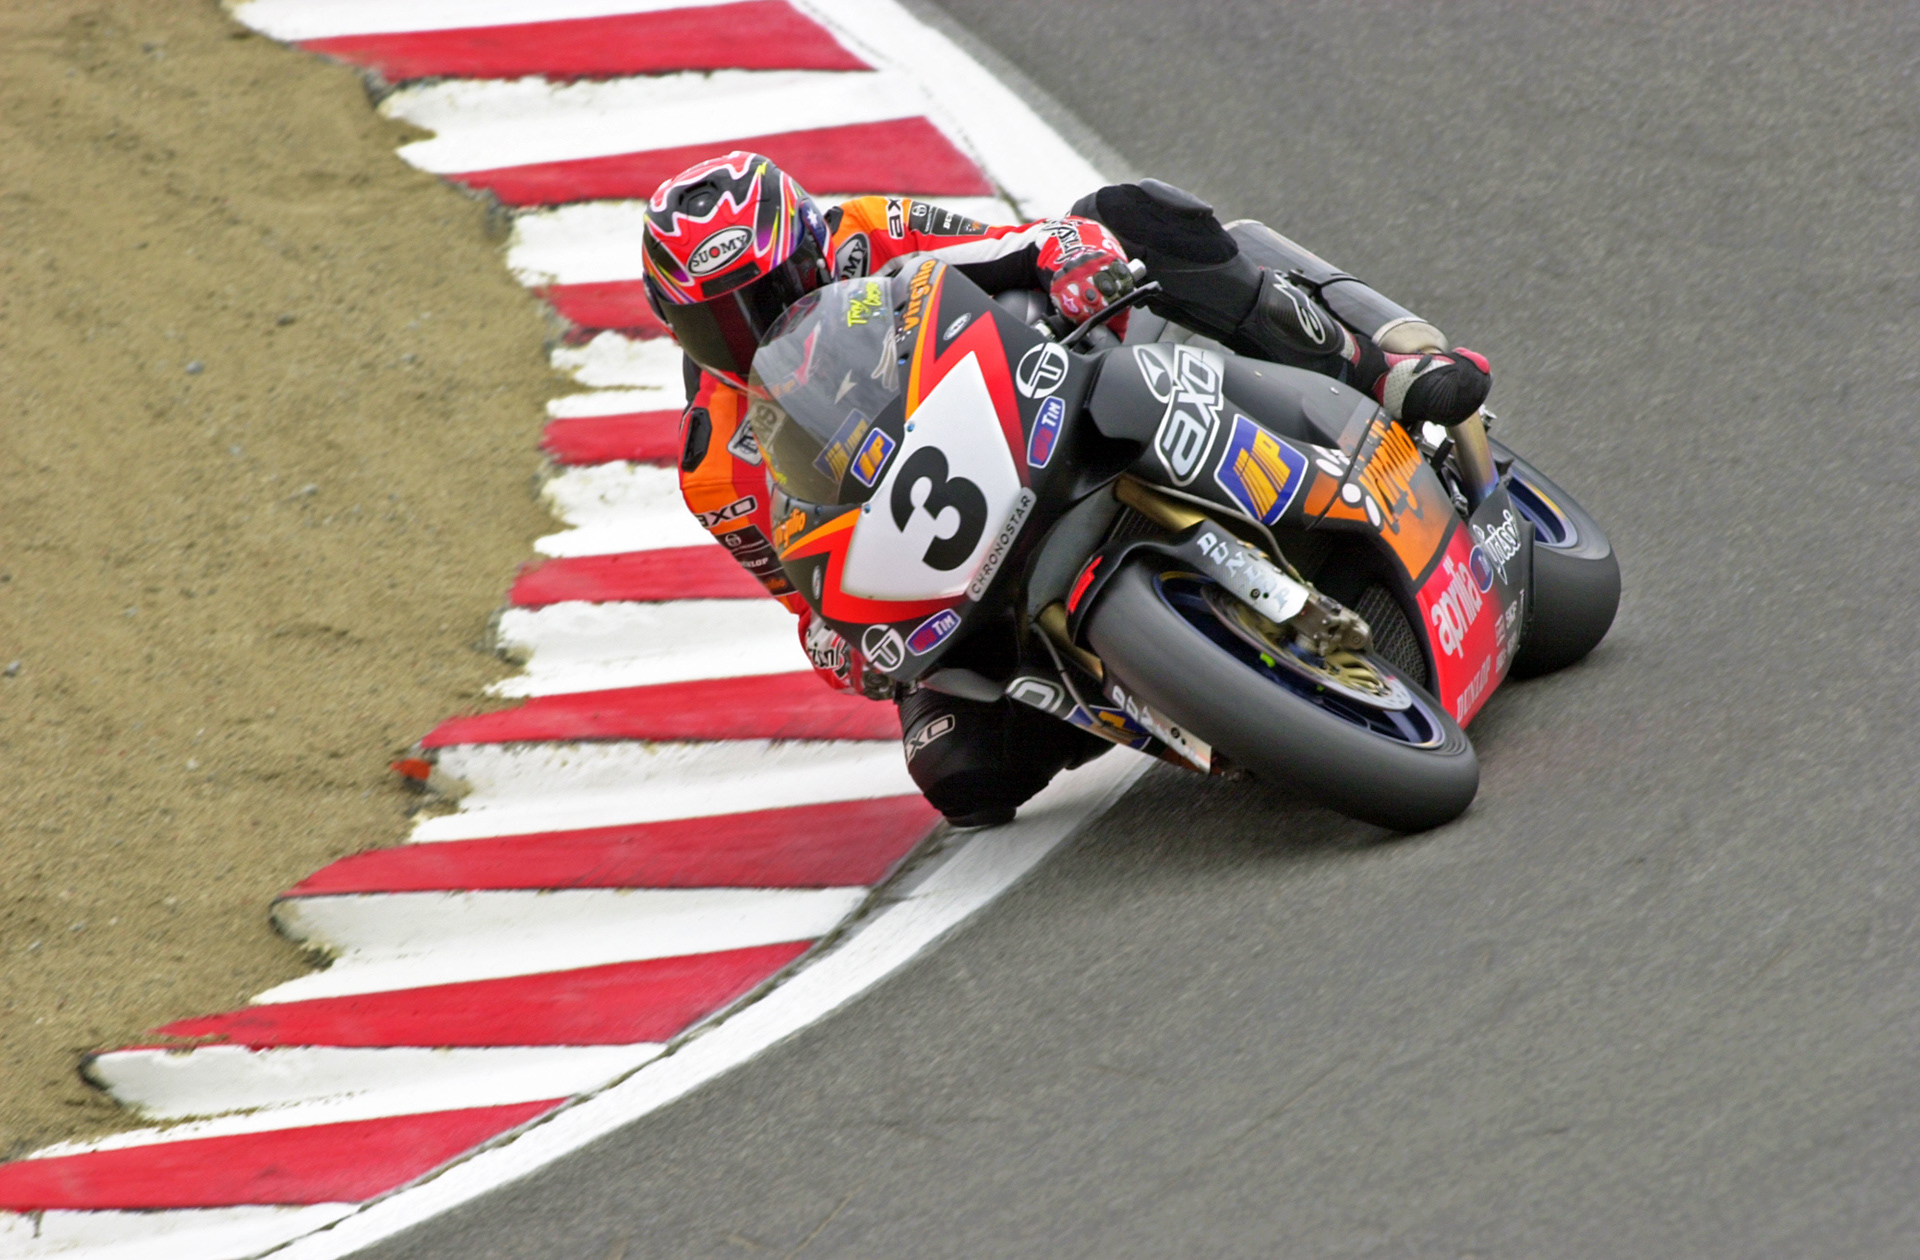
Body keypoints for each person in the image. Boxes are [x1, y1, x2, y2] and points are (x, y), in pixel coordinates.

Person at [643, 152, 1490, 827]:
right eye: (720, 318)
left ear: (814, 244)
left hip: (1029, 404)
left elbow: (1010, 251)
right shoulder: (715, 462)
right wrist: (840, 651)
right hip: (946, 555)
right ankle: (1189, 690)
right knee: (963, 776)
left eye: (776, 289)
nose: (758, 326)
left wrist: (1071, 257)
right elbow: (809, 601)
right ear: (676, 324)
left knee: (1126, 215)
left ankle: (1379, 365)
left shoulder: (868, 233)